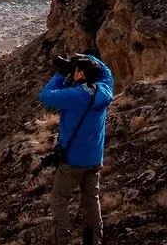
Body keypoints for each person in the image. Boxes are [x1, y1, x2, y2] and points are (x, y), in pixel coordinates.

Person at [39, 54, 114, 245]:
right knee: (91, 201)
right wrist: (88, 59)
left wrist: (61, 74)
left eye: (76, 71)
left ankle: (62, 241)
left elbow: (45, 96)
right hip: (95, 158)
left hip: (72, 161)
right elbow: (107, 72)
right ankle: (95, 241)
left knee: (60, 200)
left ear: (80, 74)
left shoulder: (73, 95)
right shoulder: (104, 91)